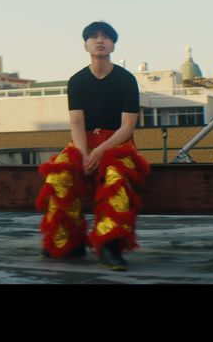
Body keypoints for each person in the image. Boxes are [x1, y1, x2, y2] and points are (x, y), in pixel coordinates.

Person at [36, 21, 150, 271]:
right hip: (82, 142)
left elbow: (127, 126)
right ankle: (67, 242)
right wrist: (82, 153)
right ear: (85, 44)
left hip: (117, 143)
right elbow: (76, 122)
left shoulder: (126, 79)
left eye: (106, 37)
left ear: (113, 45)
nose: (100, 40)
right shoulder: (77, 81)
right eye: (94, 37)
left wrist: (99, 151)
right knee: (60, 175)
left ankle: (109, 246)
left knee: (116, 177)